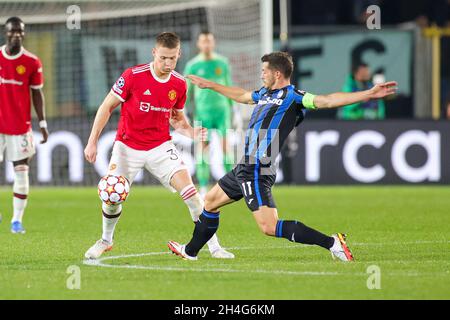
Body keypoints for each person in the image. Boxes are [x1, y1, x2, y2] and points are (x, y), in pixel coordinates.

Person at [168, 51, 397, 261]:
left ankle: (333, 243)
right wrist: (209, 85)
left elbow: (327, 100)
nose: (261, 74)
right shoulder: (265, 94)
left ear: (277, 73)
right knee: (210, 201)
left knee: (269, 226)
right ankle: (190, 252)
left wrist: (369, 93)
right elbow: (242, 96)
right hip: (245, 165)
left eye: (264, 71)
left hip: (257, 166)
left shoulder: (294, 96)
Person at [83, 32, 234, 259]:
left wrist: (191, 131)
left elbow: (176, 119)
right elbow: (106, 106)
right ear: (154, 53)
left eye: (172, 58)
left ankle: (214, 246)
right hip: (127, 147)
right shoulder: (133, 76)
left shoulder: (179, 84)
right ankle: (105, 240)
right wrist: (92, 141)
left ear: (179, 55)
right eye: (163, 58)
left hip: (160, 147)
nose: (167, 63)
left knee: (192, 194)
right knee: (112, 195)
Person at [0, 17, 49, 234]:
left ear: (24, 34)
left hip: (19, 126)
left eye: (20, 32)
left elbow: (37, 93)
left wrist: (43, 123)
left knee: (21, 173)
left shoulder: (31, 61)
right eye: (12, 32)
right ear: (6, 32)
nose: (16, 35)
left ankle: (16, 221)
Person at [184, 31, 239, 197]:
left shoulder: (222, 63)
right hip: (202, 113)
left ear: (213, 43)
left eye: (209, 41)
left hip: (222, 112)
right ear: (199, 44)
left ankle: (233, 186)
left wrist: (234, 109)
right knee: (202, 149)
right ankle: (202, 187)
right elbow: (187, 91)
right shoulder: (192, 65)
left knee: (226, 148)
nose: (207, 44)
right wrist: (183, 111)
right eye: (203, 42)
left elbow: (228, 85)